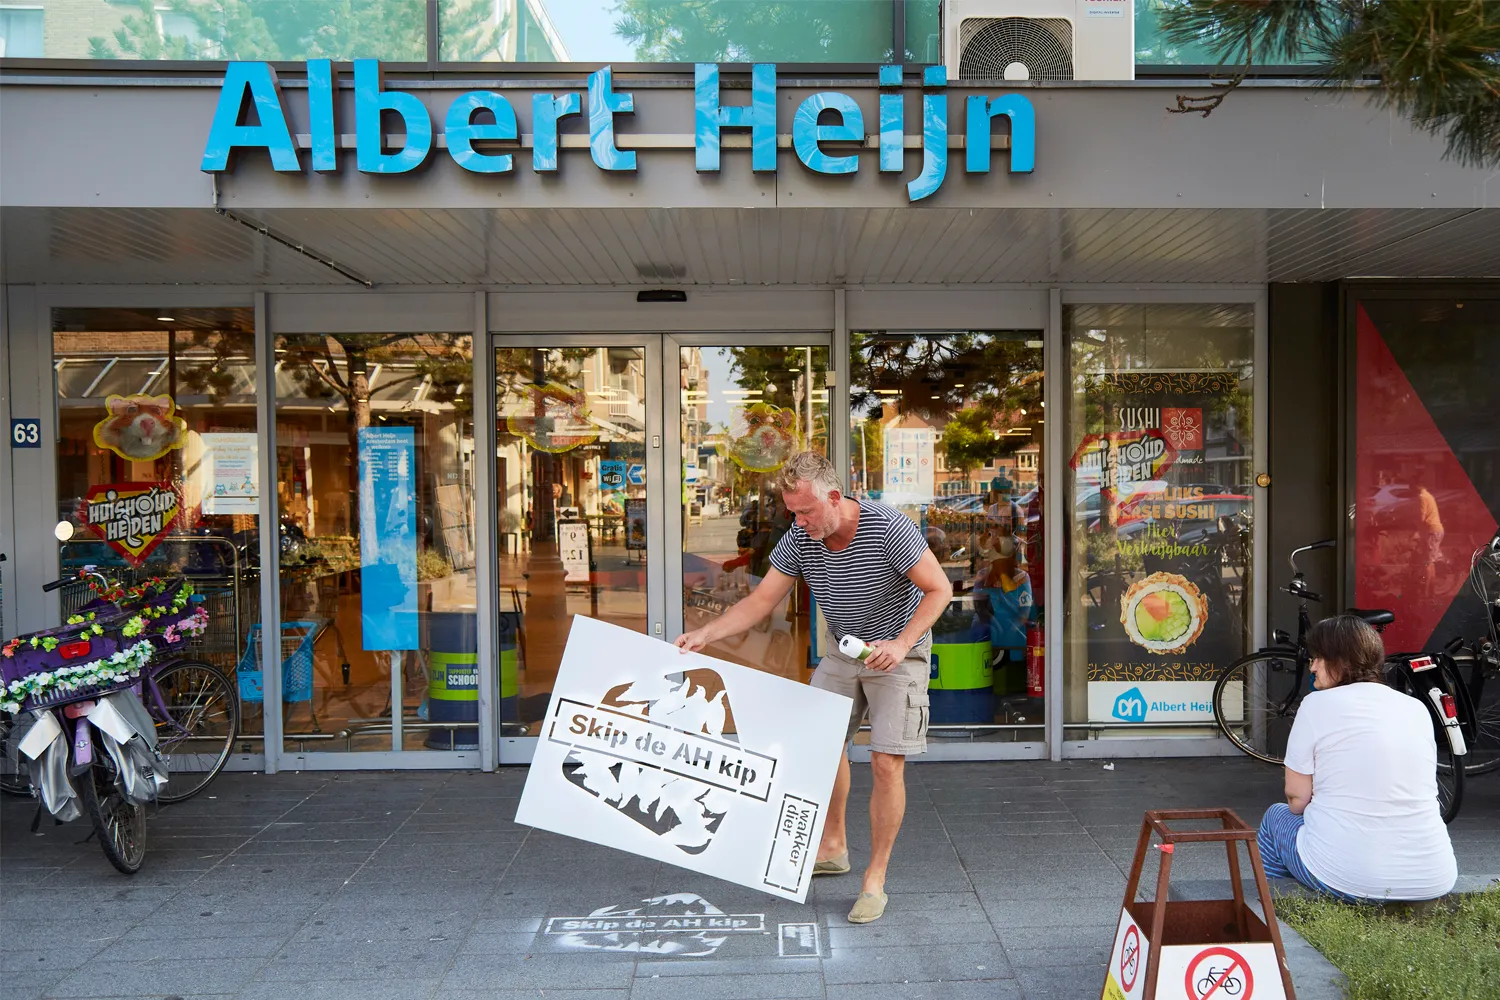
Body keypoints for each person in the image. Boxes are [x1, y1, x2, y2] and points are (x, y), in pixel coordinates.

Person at [676, 451, 952, 924]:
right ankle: (834, 844)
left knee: (886, 763)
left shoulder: (888, 528)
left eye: (805, 511)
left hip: (897, 653)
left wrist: (902, 641)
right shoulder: (802, 539)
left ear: (834, 497)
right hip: (844, 652)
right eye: (793, 513)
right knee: (822, 747)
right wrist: (706, 634)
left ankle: (875, 880)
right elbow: (761, 601)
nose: (799, 521)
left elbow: (939, 589)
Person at [1257, 615, 1457, 903]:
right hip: (1434, 876)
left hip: (1349, 879)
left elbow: (1296, 800)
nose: (1312, 666)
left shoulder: (1316, 704)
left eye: (1317, 658)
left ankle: (1281, 911)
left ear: (1340, 660)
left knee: (1276, 818)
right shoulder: (1415, 708)